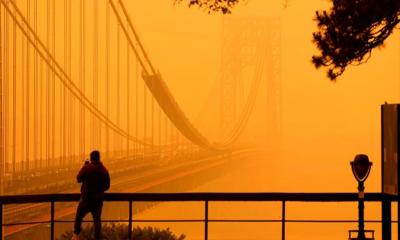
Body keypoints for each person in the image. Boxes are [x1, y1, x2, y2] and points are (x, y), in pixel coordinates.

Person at [72, 150, 110, 240]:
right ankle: (97, 238)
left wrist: (84, 166)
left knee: (79, 216)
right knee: (97, 220)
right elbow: (107, 186)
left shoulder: (87, 168)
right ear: (99, 158)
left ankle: (76, 235)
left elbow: (78, 179)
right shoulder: (104, 170)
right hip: (98, 200)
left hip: (86, 199)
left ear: (91, 158)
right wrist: (99, 191)